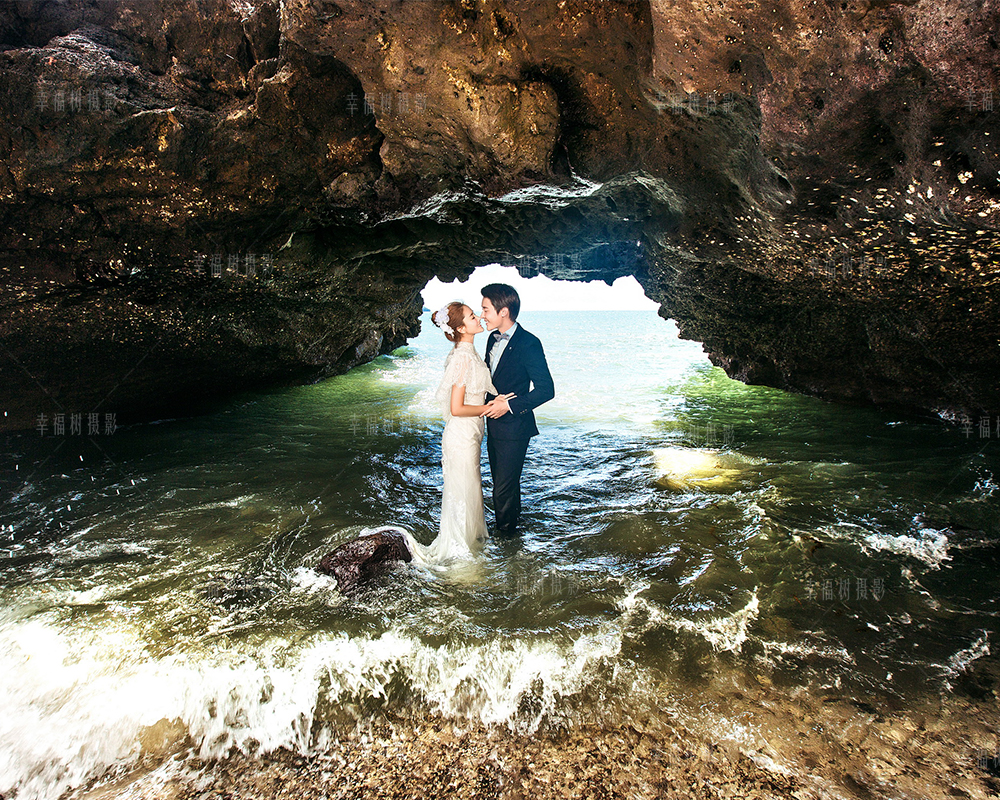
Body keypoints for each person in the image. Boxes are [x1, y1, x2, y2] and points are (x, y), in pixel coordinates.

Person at [402, 302, 515, 566]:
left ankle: (470, 546)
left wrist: (496, 399)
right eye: (472, 317)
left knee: (469, 488)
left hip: (471, 433)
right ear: (462, 328)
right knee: (464, 489)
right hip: (462, 434)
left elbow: (475, 391)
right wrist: (490, 407)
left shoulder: (468, 352)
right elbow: (457, 407)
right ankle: (461, 553)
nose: (478, 318)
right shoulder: (463, 357)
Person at [480, 284, 555, 537]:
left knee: (502, 489)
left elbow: (546, 390)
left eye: (486, 309)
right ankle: (513, 532)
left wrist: (509, 405)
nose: (482, 315)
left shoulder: (529, 343)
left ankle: (505, 541)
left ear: (503, 311)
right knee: (506, 486)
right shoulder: (491, 338)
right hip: (493, 426)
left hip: (515, 428)